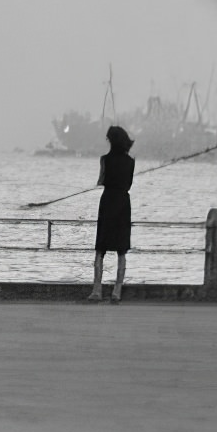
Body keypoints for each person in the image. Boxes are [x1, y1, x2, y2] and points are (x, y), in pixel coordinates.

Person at [89, 125, 135, 302]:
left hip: (108, 201)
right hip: (123, 203)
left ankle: (97, 290)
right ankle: (117, 291)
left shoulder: (104, 160)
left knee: (101, 249)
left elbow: (101, 180)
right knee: (121, 250)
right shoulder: (131, 161)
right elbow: (128, 184)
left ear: (111, 141)